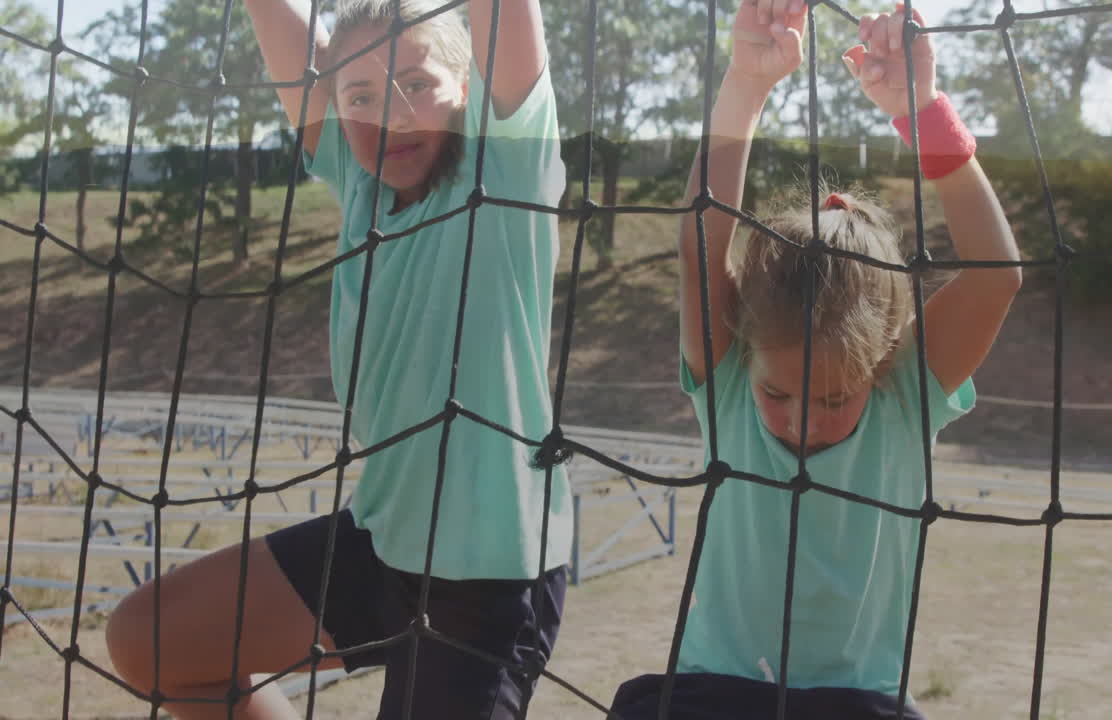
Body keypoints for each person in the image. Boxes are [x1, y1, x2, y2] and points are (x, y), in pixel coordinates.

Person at [105, 1, 570, 718]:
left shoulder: (504, 165)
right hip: (383, 540)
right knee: (149, 639)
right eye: (359, 95)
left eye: (417, 84)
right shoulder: (361, 182)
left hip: (490, 580)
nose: (389, 114)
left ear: (471, 92)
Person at [610, 1, 1022, 717]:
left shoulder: (903, 397)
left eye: (834, 399)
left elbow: (997, 274)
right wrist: (746, 80)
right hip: (716, 694)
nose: (801, 420)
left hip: (853, 703)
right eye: (779, 393)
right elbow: (698, 240)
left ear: (883, 361)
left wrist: (922, 109)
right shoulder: (729, 377)